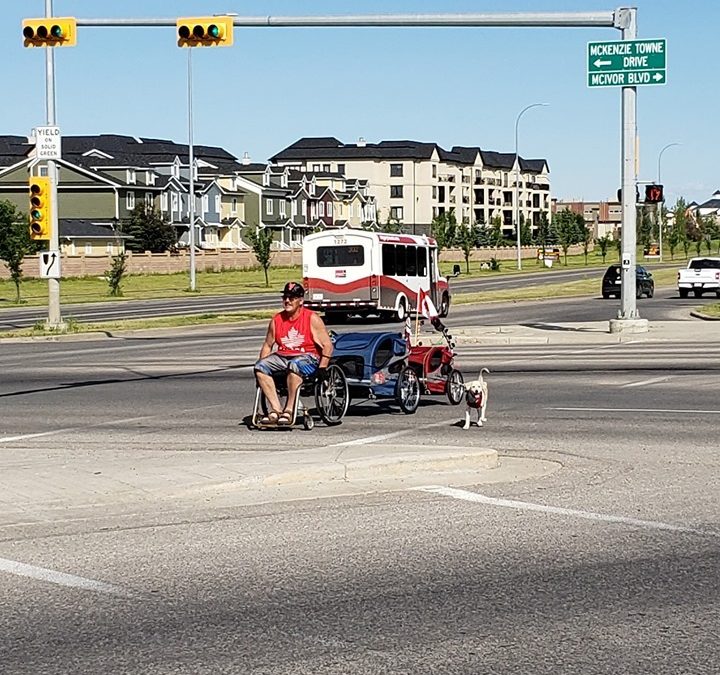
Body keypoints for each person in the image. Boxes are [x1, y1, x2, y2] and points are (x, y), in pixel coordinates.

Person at [254, 281, 333, 426]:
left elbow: (327, 345)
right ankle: (276, 410)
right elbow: (267, 345)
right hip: (283, 356)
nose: (287, 301)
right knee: (260, 366)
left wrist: (323, 367)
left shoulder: (312, 318)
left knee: (294, 365)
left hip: (308, 357)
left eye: (292, 298)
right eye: (285, 297)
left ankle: (289, 410)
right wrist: (261, 372)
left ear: (301, 300)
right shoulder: (277, 320)